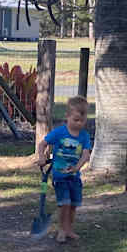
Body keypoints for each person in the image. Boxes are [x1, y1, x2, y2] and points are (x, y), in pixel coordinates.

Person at [35, 95, 92, 244]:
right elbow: (42, 144)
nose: (79, 124)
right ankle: (61, 229)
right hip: (60, 176)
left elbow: (86, 154)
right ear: (67, 117)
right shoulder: (59, 132)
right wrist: (41, 157)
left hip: (75, 177)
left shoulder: (84, 136)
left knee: (73, 205)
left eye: (82, 121)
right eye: (75, 120)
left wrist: (77, 167)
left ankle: (69, 229)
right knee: (65, 203)